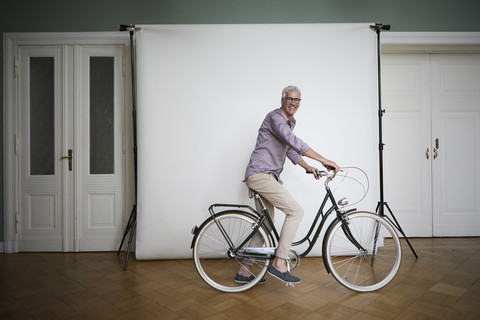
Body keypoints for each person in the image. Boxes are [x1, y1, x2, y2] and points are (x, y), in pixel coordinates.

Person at [240, 85, 339, 284]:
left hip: (264, 176)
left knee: (265, 226)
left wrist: (307, 166)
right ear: (282, 100)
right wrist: (323, 159)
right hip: (261, 175)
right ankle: (279, 261)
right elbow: (292, 140)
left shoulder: (290, 123)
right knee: (296, 211)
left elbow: (290, 149)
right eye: (290, 99)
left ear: (299, 103)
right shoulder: (275, 117)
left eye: (297, 100)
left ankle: (243, 271)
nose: (293, 102)